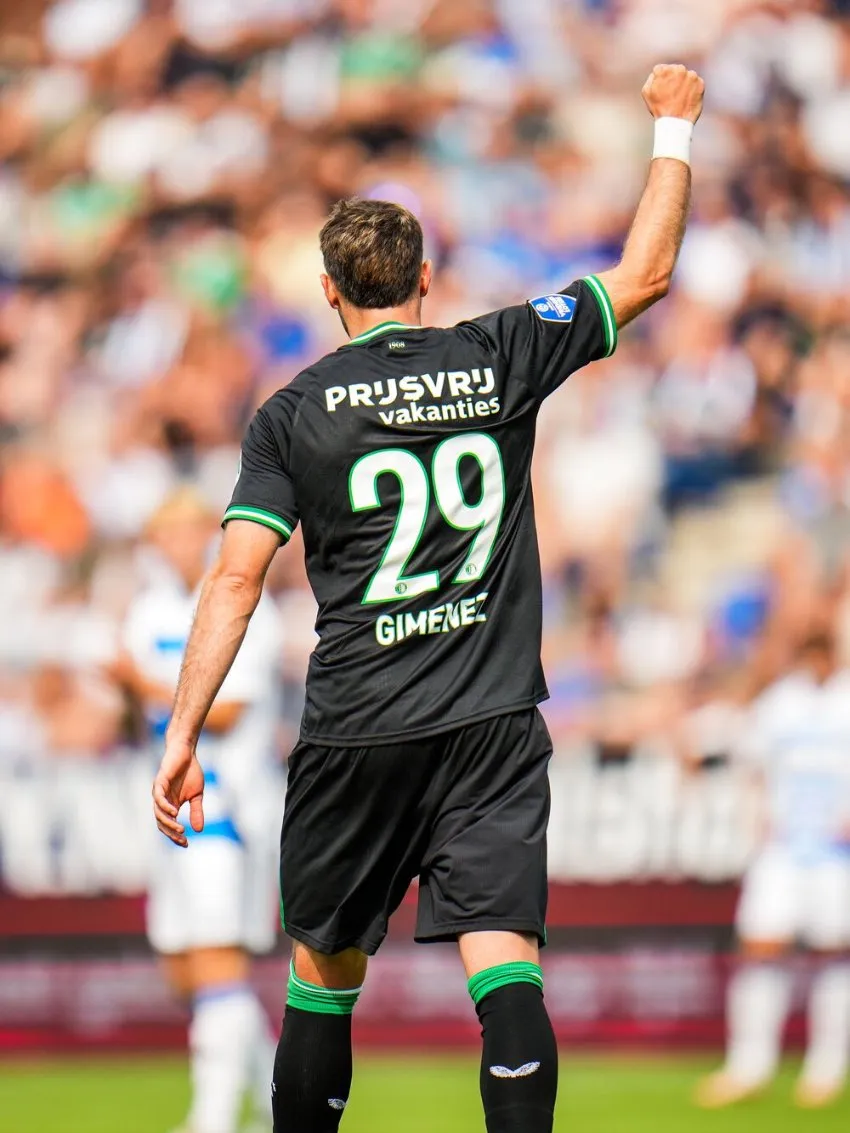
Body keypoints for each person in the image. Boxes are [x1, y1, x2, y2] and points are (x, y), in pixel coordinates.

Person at [152, 64, 704, 1133]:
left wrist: (182, 729)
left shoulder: (293, 412)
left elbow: (233, 576)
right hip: (490, 717)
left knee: (323, 970)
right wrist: (672, 130)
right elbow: (645, 273)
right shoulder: (497, 352)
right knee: (505, 966)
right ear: (427, 277)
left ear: (329, 291)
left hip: (359, 725)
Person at [120, 488, 283, 1133]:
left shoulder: (243, 603)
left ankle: (211, 1118)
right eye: (170, 532)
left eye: (193, 530)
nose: (182, 543)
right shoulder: (146, 610)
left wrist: (138, 683)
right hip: (164, 803)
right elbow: (134, 720)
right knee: (187, 967)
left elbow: (231, 708)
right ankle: (277, 1101)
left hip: (225, 803)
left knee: (218, 958)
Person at [697, 623, 850, 1110]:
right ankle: (749, 1064)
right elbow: (752, 765)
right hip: (783, 846)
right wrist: (756, 819)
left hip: (836, 851)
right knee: (761, 947)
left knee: (834, 953)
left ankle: (826, 1068)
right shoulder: (779, 702)